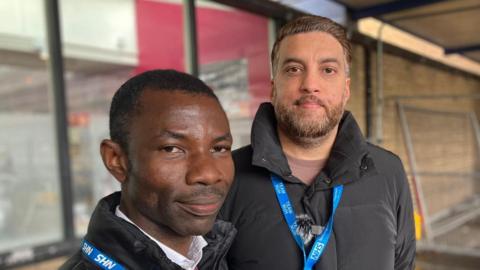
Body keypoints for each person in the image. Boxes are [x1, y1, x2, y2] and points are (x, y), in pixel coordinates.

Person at [219, 15, 416, 270]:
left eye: (327, 70)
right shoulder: (227, 175)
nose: (310, 85)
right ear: (273, 88)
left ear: (346, 89)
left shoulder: (388, 171)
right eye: (293, 69)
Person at [61, 69, 236, 270]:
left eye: (219, 148)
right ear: (116, 160)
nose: (209, 174)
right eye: (172, 149)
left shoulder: (217, 254)